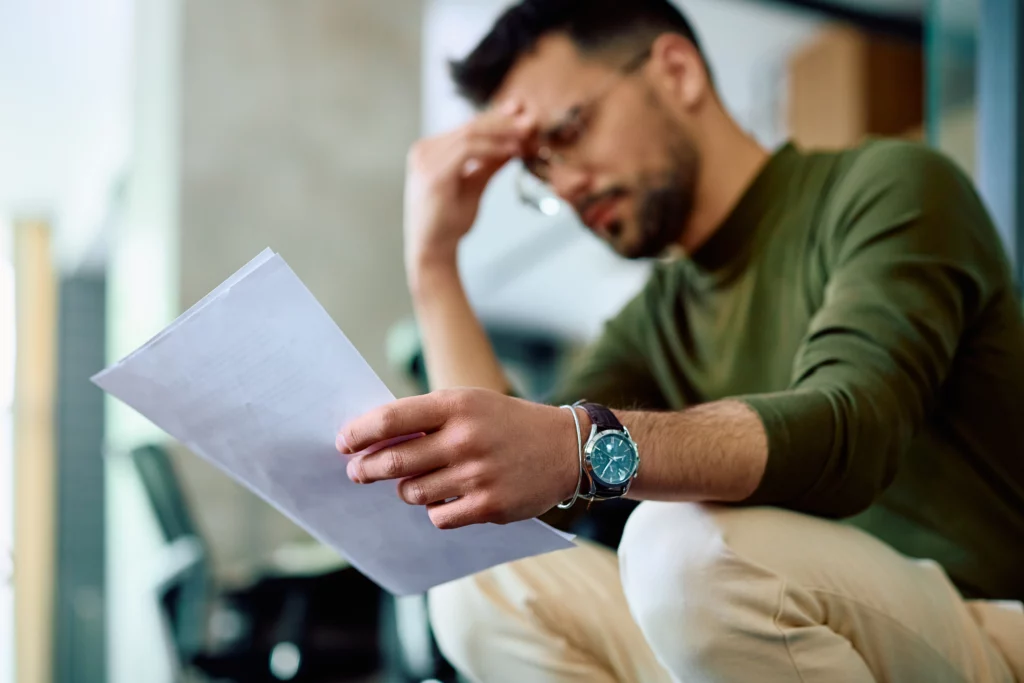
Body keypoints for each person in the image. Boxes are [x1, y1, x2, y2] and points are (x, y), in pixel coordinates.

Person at [335, 0, 1024, 680]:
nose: (567, 184)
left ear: (676, 71)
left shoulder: (891, 187)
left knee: (684, 549)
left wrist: (579, 445)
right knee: (487, 586)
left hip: (984, 626)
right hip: (783, 643)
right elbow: (519, 491)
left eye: (570, 131)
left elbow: (851, 428)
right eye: (540, 170)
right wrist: (434, 263)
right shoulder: (659, 315)